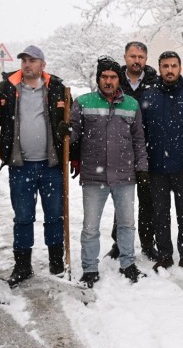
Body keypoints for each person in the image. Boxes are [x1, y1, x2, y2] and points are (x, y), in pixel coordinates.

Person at [0, 45, 70, 287]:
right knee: (23, 217)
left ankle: (56, 261)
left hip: (51, 165)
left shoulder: (57, 88)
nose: (27, 64)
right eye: (24, 61)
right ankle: (22, 265)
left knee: (54, 215)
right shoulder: (8, 87)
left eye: (32, 60)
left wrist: (67, 130)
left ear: (43, 64)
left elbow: (70, 121)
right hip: (20, 166)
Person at [61, 57, 148, 287]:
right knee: (90, 227)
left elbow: (138, 139)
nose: (108, 81)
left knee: (127, 224)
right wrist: (67, 131)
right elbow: (75, 136)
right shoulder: (83, 102)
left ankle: (128, 264)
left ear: (119, 79)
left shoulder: (131, 104)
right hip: (93, 176)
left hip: (124, 175)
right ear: (98, 79)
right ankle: (90, 268)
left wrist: (142, 168)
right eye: (104, 77)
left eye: (112, 77)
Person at [141, 51, 183, 275]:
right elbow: (142, 132)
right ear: (159, 68)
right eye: (165, 66)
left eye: (173, 66)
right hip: (156, 167)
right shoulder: (148, 96)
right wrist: (144, 161)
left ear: (180, 68)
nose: (170, 70)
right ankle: (165, 255)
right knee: (160, 214)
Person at [107, 41, 159, 262]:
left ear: (146, 60)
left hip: (149, 150)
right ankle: (119, 243)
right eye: (132, 56)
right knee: (122, 201)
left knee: (148, 201)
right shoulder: (114, 81)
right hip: (121, 150)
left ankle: (148, 243)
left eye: (140, 57)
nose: (136, 60)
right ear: (125, 57)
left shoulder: (155, 84)